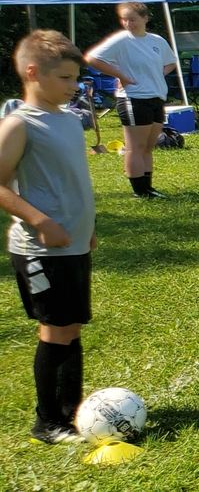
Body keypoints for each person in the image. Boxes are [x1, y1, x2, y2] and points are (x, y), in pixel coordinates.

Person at [0, 30, 96, 444]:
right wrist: (41, 221)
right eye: (65, 78)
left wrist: (87, 228)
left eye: (76, 78)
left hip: (73, 244)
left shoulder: (68, 119)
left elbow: (71, 180)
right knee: (55, 330)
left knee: (71, 327)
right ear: (33, 72)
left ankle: (71, 412)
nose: (73, 87)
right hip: (41, 250)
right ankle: (48, 422)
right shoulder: (19, 124)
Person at [86, 2, 177, 198]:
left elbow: (170, 62)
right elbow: (92, 58)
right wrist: (121, 76)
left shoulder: (157, 40)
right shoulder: (121, 40)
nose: (128, 23)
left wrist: (155, 75)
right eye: (124, 19)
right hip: (133, 98)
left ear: (145, 18)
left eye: (133, 19)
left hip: (156, 97)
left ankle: (149, 187)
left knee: (148, 147)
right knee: (136, 147)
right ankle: (140, 190)